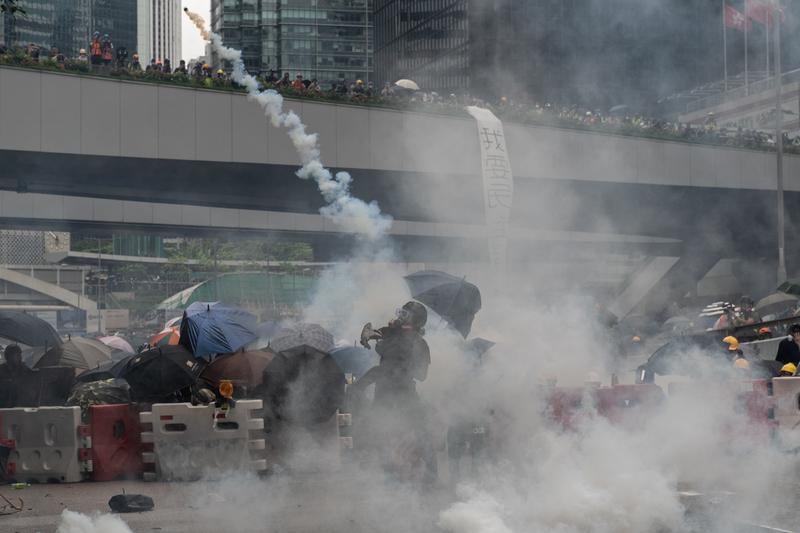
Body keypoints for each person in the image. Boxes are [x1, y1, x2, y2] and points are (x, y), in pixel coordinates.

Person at [356, 301, 430, 406]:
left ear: (415, 321)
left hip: (404, 398)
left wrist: (402, 365)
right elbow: (375, 332)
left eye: (405, 314)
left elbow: (422, 375)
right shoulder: (393, 332)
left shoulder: (420, 344)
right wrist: (368, 336)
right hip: (383, 396)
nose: (400, 317)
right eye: (401, 313)